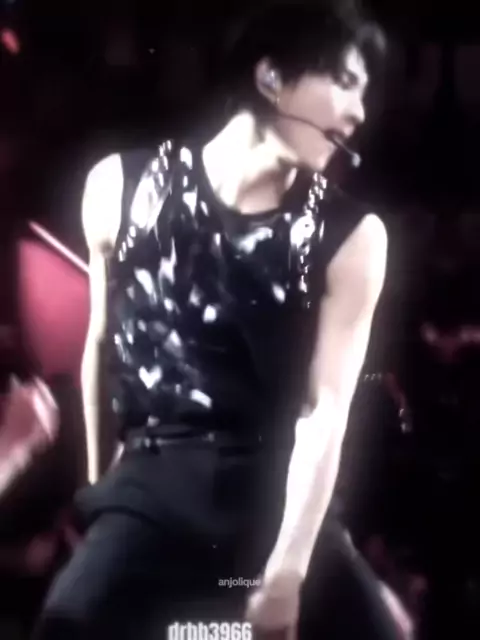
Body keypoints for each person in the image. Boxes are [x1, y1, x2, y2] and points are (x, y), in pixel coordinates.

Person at [35, 2, 397, 638]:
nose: (358, 113)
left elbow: (325, 412)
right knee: (69, 622)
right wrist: (100, 493)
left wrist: (286, 574)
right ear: (271, 78)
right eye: (344, 82)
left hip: (277, 491)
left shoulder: (352, 235)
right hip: (152, 481)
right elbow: (101, 344)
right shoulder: (119, 187)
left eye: (363, 92)